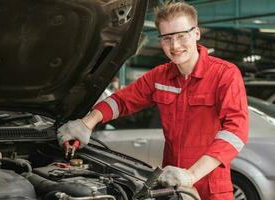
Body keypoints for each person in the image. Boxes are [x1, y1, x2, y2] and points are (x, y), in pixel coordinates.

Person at [57, 2, 248, 200]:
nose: (174, 46)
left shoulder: (225, 75)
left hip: (210, 186)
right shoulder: (160, 77)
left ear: (197, 33)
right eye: (167, 38)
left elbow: (236, 131)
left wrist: (191, 175)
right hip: (171, 183)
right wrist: (86, 123)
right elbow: (122, 101)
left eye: (181, 35)